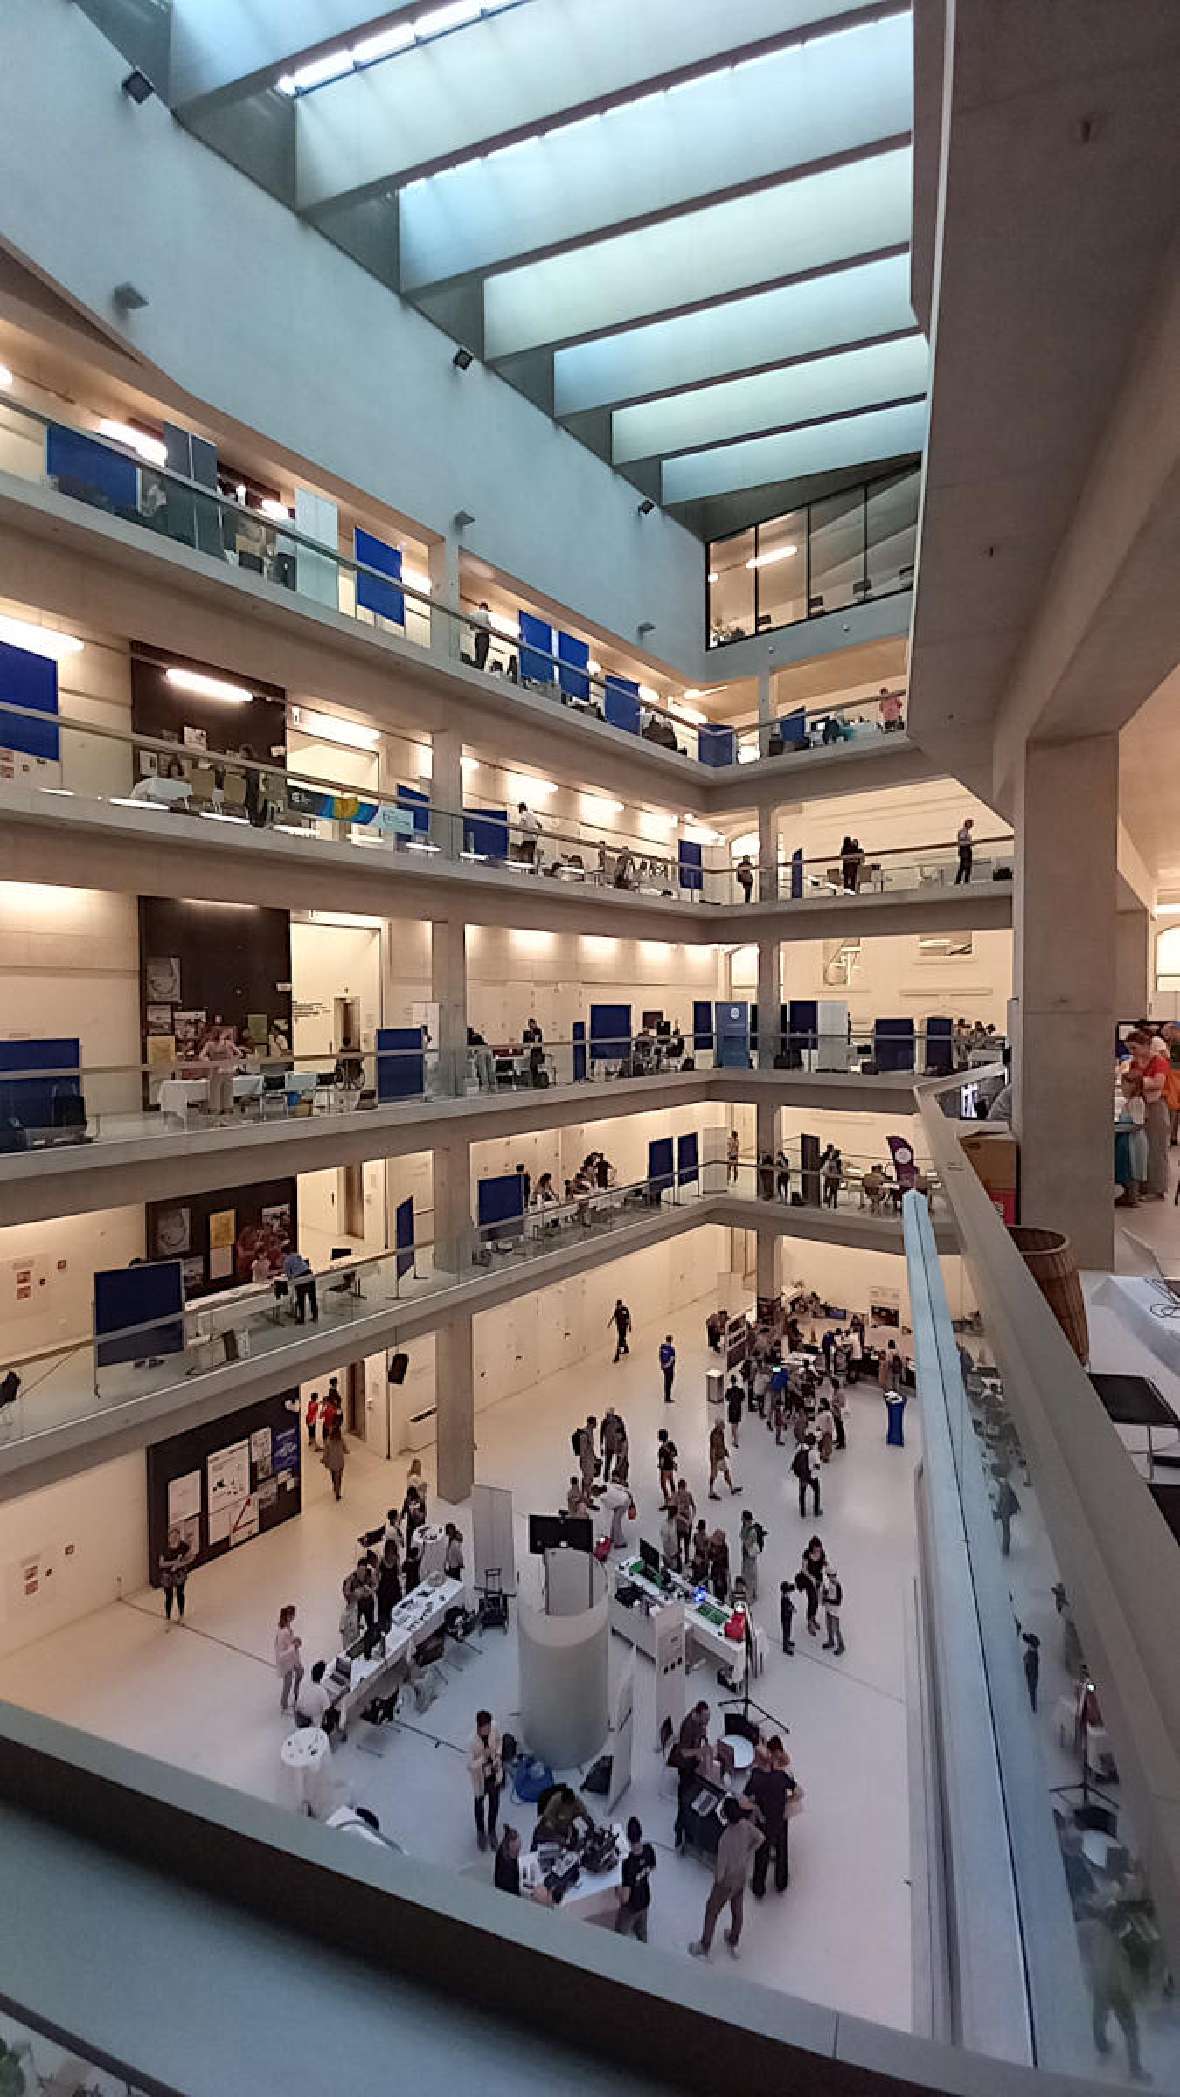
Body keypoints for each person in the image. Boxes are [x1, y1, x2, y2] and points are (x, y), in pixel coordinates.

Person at [689, 1795, 761, 1960]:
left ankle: (705, 1945)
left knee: (711, 1911)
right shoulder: (746, 1826)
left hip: (726, 1882)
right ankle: (733, 1940)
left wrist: (717, 1880)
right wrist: (747, 1854)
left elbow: (720, 1873)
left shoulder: (725, 1839)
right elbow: (760, 1839)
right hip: (741, 1876)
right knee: (737, 1910)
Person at [746, 1737, 798, 1897]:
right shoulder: (782, 1776)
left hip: (764, 1820)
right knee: (782, 1849)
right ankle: (781, 1882)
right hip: (780, 1818)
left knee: (761, 1853)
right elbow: (798, 1791)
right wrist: (785, 1803)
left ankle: (758, 1887)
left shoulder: (756, 1778)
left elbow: (746, 1799)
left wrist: (757, 1809)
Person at [672, 1700, 710, 1850]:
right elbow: (684, 1752)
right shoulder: (687, 1727)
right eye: (705, 1718)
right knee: (684, 1800)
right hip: (685, 1765)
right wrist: (700, 1752)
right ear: (698, 1714)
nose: (707, 1721)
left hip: (694, 1762)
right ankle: (680, 1831)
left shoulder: (700, 1723)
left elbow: (701, 1738)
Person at [616, 1816, 656, 1942]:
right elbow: (653, 1867)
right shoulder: (649, 1850)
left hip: (631, 1906)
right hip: (645, 1899)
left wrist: (617, 1888)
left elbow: (625, 1898)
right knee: (642, 1930)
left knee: (620, 1933)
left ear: (628, 1837)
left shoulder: (627, 1863)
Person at [468, 1710, 503, 1851]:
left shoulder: (494, 1728)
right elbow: (469, 1765)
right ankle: (481, 1832)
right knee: (479, 1806)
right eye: (485, 1728)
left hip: (494, 1773)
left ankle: (492, 1830)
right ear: (478, 1727)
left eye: (489, 1726)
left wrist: (498, 1756)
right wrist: (483, 1757)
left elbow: (499, 1741)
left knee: (494, 1804)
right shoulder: (471, 1741)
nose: (488, 1730)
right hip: (480, 1778)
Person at [532, 1782, 593, 1849]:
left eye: (570, 1803)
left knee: (577, 1836)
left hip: (568, 1825)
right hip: (554, 1823)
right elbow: (548, 1815)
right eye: (567, 1803)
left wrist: (577, 1820)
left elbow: (583, 1812)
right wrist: (557, 1825)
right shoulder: (555, 1799)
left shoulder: (576, 1800)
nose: (568, 1805)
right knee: (544, 1833)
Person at [158, 1524, 194, 1628]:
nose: (174, 1538)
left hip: (179, 1574)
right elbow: (161, 1563)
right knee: (168, 1596)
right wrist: (174, 1563)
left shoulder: (183, 1546)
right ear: (169, 1537)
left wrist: (181, 1564)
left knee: (180, 1593)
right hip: (167, 1575)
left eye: (177, 1535)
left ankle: (181, 1615)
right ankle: (168, 1617)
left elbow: (190, 1558)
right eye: (172, 1536)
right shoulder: (164, 1548)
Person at [274, 1604, 303, 1713]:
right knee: (287, 1683)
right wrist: (294, 1646)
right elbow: (281, 1654)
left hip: (292, 1659)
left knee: (300, 1672)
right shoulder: (283, 1633)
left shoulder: (287, 1629)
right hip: (286, 1663)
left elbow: (289, 1643)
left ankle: (296, 1696)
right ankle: (284, 1705)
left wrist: (294, 1640)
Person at [797, 1537, 826, 1636]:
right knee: (811, 1600)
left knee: (817, 1600)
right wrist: (812, 1578)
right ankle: (809, 1621)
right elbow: (804, 1570)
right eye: (816, 1550)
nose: (818, 1551)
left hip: (817, 1578)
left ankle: (813, 1618)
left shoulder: (822, 1554)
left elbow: (823, 1565)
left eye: (819, 1549)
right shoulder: (806, 1555)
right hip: (808, 1579)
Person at [282, 1247, 318, 1324]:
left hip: (300, 1278)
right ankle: (315, 1316)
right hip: (309, 1274)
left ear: (284, 1254)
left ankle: (301, 1319)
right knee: (312, 1297)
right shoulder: (297, 1255)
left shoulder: (286, 1261)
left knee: (301, 1298)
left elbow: (289, 1275)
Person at [295, 1659, 332, 1732]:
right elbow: (327, 1709)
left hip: (299, 1712)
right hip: (314, 1718)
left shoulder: (304, 1681)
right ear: (322, 1675)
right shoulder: (322, 1691)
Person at [792, 1435, 821, 1518]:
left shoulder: (801, 1448)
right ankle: (816, 1510)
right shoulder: (814, 1453)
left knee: (802, 1493)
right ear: (814, 1443)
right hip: (812, 1476)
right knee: (816, 1492)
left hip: (803, 1476)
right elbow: (818, 1466)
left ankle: (802, 1512)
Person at [708, 1420, 738, 1499]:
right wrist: (713, 1461)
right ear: (718, 1426)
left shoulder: (721, 1433)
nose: (724, 1426)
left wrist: (725, 1451)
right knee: (713, 1475)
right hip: (716, 1458)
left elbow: (722, 1444)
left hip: (721, 1457)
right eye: (722, 1425)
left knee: (726, 1471)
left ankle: (731, 1488)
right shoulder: (714, 1435)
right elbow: (713, 1448)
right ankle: (711, 1492)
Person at [376, 1537, 402, 1627]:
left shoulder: (384, 1560)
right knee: (387, 1610)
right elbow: (399, 1572)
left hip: (390, 1587)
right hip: (387, 1588)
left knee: (391, 1609)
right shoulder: (383, 1560)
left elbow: (377, 1573)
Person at [993, 1475, 1020, 1557]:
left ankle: (1005, 1550)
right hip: (1005, 1511)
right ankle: (1005, 1550)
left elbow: (1004, 1501)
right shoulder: (1004, 1486)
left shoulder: (1004, 1487)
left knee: (1006, 1531)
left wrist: (999, 1513)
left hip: (1004, 1511)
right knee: (1006, 1531)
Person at [739, 1509, 763, 1600]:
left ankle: (753, 1593)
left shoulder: (752, 1531)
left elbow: (747, 1543)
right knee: (746, 1571)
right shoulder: (745, 1527)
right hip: (746, 1553)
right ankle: (748, 1589)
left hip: (750, 1554)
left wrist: (744, 1539)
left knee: (751, 1573)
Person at [822, 1563, 845, 1654]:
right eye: (829, 1576)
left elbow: (838, 1601)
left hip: (835, 1611)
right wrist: (825, 1593)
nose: (830, 1578)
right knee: (829, 1627)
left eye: (832, 1576)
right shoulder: (830, 1584)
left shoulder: (838, 1586)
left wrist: (827, 1599)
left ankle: (841, 1646)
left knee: (836, 1629)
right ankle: (831, 1641)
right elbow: (830, 1593)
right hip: (828, 1609)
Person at [673, 1478, 696, 1569]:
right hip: (679, 1523)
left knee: (687, 1542)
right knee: (678, 1542)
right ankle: (678, 1560)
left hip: (687, 1522)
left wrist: (691, 1518)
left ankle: (686, 1559)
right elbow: (674, 1513)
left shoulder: (688, 1495)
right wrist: (685, 1520)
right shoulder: (675, 1496)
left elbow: (694, 1507)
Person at [322, 1421, 348, 1500]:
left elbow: (326, 1452)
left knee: (333, 1475)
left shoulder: (328, 1440)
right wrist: (346, 1451)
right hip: (340, 1461)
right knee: (339, 1477)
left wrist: (324, 1459)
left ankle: (334, 1485)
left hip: (332, 1461)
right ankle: (338, 1491)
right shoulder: (341, 1440)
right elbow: (345, 1449)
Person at [516, 800, 542, 866]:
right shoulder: (532, 815)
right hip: (533, 839)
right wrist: (537, 835)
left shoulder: (524, 813)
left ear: (521, 808)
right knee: (530, 856)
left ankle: (522, 867)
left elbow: (522, 823)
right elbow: (540, 825)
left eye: (518, 809)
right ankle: (531, 871)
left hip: (527, 838)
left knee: (521, 853)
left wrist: (517, 827)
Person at [656, 1427, 678, 1503]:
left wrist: (660, 1466)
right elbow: (675, 1453)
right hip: (670, 1466)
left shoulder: (662, 1449)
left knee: (663, 1483)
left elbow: (661, 1460)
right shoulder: (671, 1444)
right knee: (671, 1481)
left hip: (665, 1468)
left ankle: (667, 1500)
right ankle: (674, 1498)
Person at [659, 1500, 680, 1573]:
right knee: (672, 1571)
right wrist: (672, 1555)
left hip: (671, 1552)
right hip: (670, 1554)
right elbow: (667, 1542)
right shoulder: (668, 1528)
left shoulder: (670, 1522)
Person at [1022, 1632, 1041, 1713]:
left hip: (1032, 1677)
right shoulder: (1032, 1653)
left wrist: (1029, 1679)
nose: (1029, 1646)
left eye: (1030, 1645)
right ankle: (1033, 1707)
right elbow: (1028, 1637)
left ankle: (1033, 1708)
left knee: (1032, 1691)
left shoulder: (1032, 1656)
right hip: (1032, 1676)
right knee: (1032, 1691)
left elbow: (1031, 1671)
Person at [725, 1376, 744, 1448]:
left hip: (732, 1408)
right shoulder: (740, 1390)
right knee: (736, 1423)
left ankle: (735, 1440)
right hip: (738, 1408)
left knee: (733, 1425)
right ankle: (735, 1437)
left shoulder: (729, 1390)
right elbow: (742, 1398)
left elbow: (727, 1398)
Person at [473, 600, 492, 671]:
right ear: (485, 608)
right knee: (483, 654)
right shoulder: (486, 614)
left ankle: (478, 666)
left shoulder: (474, 614)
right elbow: (489, 627)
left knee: (478, 653)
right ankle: (480, 668)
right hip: (484, 636)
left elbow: (471, 626)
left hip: (477, 635)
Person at [779, 1578, 796, 1655]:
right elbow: (787, 1607)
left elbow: (789, 1604)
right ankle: (785, 1647)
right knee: (786, 1632)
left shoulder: (786, 1597)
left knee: (788, 1630)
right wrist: (792, 1608)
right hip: (785, 1617)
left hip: (788, 1617)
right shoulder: (784, 1599)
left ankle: (788, 1641)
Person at [955, 816, 974, 884]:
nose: (972, 825)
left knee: (965, 865)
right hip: (965, 849)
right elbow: (962, 840)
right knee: (965, 865)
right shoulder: (963, 831)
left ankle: (963, 880)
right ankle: (963, 880)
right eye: (971, 823)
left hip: (965, 848)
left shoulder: (966, 832)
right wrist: (969, 842)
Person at [815, 1398, 835, 1463]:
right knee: (820, 1443)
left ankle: (826, 1456)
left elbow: (830, 1424)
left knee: (827, 1444)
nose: (819, 1405)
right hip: (821, 1430)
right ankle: (821, 1454)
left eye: (821, 1403)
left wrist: (828, 1431)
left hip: (826, 1432)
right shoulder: (821, 1412)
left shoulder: (828, 1414)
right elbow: (818, 1420)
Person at [659, 1333, 676, 1404]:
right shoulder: (672, 1349)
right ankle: (667, 1398)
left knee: (666, 1381)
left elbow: (660, 1356)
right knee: (669, 1382)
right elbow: (672, 1359)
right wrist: (668, 1365)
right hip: (669, 1368)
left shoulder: (662, 1347)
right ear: (671, 1340)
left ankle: (666, 1396)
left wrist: (663, 1365)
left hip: (664, 1367)